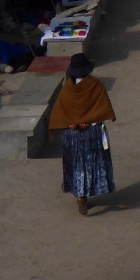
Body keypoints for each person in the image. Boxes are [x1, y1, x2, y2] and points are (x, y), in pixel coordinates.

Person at [47, 54, 116, 215]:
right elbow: (102, 108)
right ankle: (89, 191)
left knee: (76, 166)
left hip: (73, 135)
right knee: (92, 164)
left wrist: (70, 123)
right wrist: (90, 120)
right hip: (92, 133)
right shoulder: (95, 85)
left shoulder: (67, 89)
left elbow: (60, 110)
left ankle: (80, 196)